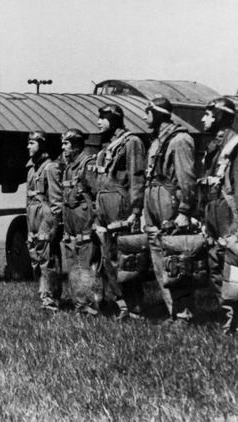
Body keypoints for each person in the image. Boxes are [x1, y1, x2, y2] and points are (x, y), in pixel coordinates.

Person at [199, 98, 238, 334]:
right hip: (216, 214)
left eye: (207, 114)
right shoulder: (215, 146)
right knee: (216, 265)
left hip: (232, 215)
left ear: (217, 116)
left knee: (236, 270)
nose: (202, 120)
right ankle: (229, 316)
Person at [142, 97, 198, 326]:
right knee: (159, 259)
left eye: (148, 112)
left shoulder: (180, 140)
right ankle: (173, 312)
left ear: (157, 114)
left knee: (175, 260)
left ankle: (184, 314)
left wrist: (184, 209)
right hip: (153, 200)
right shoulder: (156, 142)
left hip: (169, 202)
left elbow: (187, 178)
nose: (145, 117)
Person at [94, 104, 146, 320]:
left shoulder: (131, 142)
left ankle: (134, 308)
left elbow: (137, 177)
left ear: (113, 120)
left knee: (125, 258)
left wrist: (135, 210)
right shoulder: (108, 147)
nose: (98, 122)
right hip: (105, 206)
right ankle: (120, 304)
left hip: (121, 206)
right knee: (108, 259)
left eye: (103, 118)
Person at [60, 129, 100, 315]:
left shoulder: (87, 163)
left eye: (66, 144)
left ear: (76, 145)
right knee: (74, 267)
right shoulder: (69, 167)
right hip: (71, 226)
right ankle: (80, 305)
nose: (63, 148)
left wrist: (95, 224)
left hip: (85, 225)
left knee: (85, 267)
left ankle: (90, 305)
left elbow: (96, 195)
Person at [25, 131, 64, 311]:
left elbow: (56, 202)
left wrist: (51, 227)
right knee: (36, 257)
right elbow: (28, 201)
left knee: (48, 258)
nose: (28, 146)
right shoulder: (32, 169)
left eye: (32, 143)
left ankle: (52, 299)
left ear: (42, 144)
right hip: (33, 216)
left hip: (45, 216)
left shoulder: (51, 168)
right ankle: (44, 295)